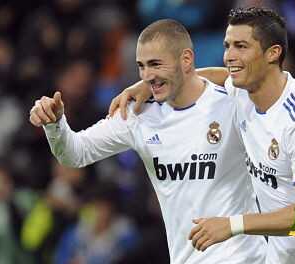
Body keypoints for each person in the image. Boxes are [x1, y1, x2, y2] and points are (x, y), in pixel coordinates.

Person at [108, 7, 295, 264]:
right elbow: (218, 76)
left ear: (273, 53)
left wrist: (234, 225)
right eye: (227, 45)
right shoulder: (244, 93)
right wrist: (149, 84)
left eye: (241, 46)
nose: (229, 56)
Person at [29, 19, 268, 264]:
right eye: (141, 67)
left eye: (155, 64)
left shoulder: (232, 102)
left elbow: (271, 81)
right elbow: (75, 154)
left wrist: (240, 224)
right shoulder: (137, 114)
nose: (145, 75)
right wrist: (55, 123)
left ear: (186, 59)